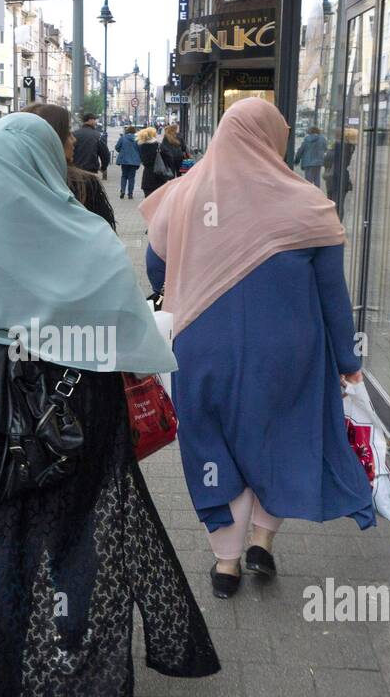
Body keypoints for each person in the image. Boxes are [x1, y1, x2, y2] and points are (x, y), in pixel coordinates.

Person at [0, 112, 219, 697]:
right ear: (50, 164)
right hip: (81, 420)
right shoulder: (91, 242)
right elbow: (129, 340)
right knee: (77, 536)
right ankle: (71, 652)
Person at [140, 98, 374, 600]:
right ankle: (262, 542)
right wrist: (349, 365)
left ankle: (226, 563)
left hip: (201, 348)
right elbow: (335, 299)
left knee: (212, 444)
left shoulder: (182, 196)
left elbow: (157, 271)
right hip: (290, 354)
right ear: (273, 140)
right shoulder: (308, 203)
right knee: (282, 438)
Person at [23, 102, 115, 229]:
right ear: (52, 138)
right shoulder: (83, 185)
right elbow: (104, 234)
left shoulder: (15, 180)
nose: (74, 140)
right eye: (67, 133)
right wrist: (104, 167)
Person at [324, 126, 357, 212]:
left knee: (333, 202)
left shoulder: (337, 146)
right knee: (339, 203)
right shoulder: (350, 147)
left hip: (333, 177)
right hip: (342, 177)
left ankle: (334, 221)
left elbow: (327, 161)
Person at [71, 112, 110, 176]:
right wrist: (103, 167)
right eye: (94, 120)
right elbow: (105, 154)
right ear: (90, 120)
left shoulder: (74, 134)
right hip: (90, 170)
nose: (95, 122)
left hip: (75, 170)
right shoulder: (97, 135)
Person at [137, 127, 170, 197]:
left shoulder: (142, 146)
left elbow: (143, 160)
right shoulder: (159, 146)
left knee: (148, 202)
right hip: (159, 178)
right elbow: (169, 158)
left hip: (147, 179)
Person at [114, 125, 141, 199]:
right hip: (134, 161)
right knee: (131, 177)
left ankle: (122, 191)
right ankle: (130, 194)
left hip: (124, 160)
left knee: (124, 176)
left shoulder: (122, 138)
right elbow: (140, 150)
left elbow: (117, 147)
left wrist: (122, 152)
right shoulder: (138, 139)